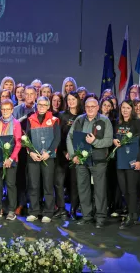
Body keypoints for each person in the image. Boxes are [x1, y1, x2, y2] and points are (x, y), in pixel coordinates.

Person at [67, 97, 113, 229]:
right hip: (81, 160)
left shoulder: (104, 120)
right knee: (83, 188)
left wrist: (94, 142)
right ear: (85, 108)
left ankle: (100, 217)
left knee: (99, 190)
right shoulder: (79, 119)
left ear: (98, 107)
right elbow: (69, 138)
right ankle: (86, 216)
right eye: (88, 107)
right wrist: (73, 155)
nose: (90, 109)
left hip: (98, 161)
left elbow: (109, 141)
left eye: (93, 106)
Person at [112, 100, 140, 229]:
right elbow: (114, 137)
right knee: (124, 190)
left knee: (132, 190)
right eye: (123, 108)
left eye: (128, 108)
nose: (125, 110)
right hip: (120, 160)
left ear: (132, 109)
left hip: (133, 160)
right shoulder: (117, 123)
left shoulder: (137, 123)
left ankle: (131, 216)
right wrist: (113, 140)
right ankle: (133, 214)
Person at [25, 96, 60, 223]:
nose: (41, 107)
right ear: (36, 105)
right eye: (39, 104)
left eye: (44, 105)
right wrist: (31, 152)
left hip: (48, 157)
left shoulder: (54, 120)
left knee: (48, 185)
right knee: (34, 185)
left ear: (48, 106)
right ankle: (34, 211)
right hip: (33, 157)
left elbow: (57, 139)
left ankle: (48, 212)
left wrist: (49, 153)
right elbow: (26, 139)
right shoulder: (30, 119)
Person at [0, 99, 22, 221]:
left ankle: (11, 210)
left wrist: (11, 159)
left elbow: (18, 143)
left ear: (12, 110)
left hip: (11, 160)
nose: (5, 111)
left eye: (8, 109)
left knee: (10, 184)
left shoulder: (16, 123)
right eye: (3, 109)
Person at [55, 91, 83, 220]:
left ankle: (73, 208)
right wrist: (65, 152)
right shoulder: (61, 116)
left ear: (78, 100)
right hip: (63, 154)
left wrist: (74, 154)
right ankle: (61, 208)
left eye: (73, 99)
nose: (71, 101)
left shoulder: (83, 116)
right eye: (69, 99)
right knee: (59, 182)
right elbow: (58, 136)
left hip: (77, 156)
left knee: (74, 183)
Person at [12, 85, 37, 215]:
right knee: (21, 177)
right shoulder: (16, 110)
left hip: (36, 149)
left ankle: (35, 204)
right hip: (20, 149)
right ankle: (21, 203)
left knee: (34, 178)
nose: (28, 96)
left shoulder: (40, 109)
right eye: (26, 94)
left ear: (36, 95)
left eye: (31, 94)